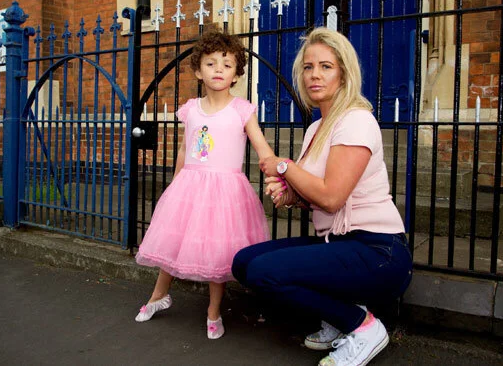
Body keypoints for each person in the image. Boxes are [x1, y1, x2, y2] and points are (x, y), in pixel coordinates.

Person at [232, 27, 412, 365]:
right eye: (308, 67)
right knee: (244, 263)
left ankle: (362, 326)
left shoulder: (357, 120)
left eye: (326, 66)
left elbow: (331, 198)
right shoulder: (317, 127)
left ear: (343, 73)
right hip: (338, 244)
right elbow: (316, 196)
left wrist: (284, 167)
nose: (315, 74)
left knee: (263, 272)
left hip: (377, 251)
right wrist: (291, 197)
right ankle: (340, 313)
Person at [134, 30, 274, 339]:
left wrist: (278, 174)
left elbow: (263, 149)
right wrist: (175, 184)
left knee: (217, 250)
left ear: (237, 72)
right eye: (211, 64)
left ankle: (214, 311)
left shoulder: (242, 110)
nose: (219, 70)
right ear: (199, 71)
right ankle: (159, 295)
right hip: (190, 187)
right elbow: (186, 149)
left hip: (225, 191)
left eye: (227, 64)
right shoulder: (190, 109)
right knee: (174, 239)